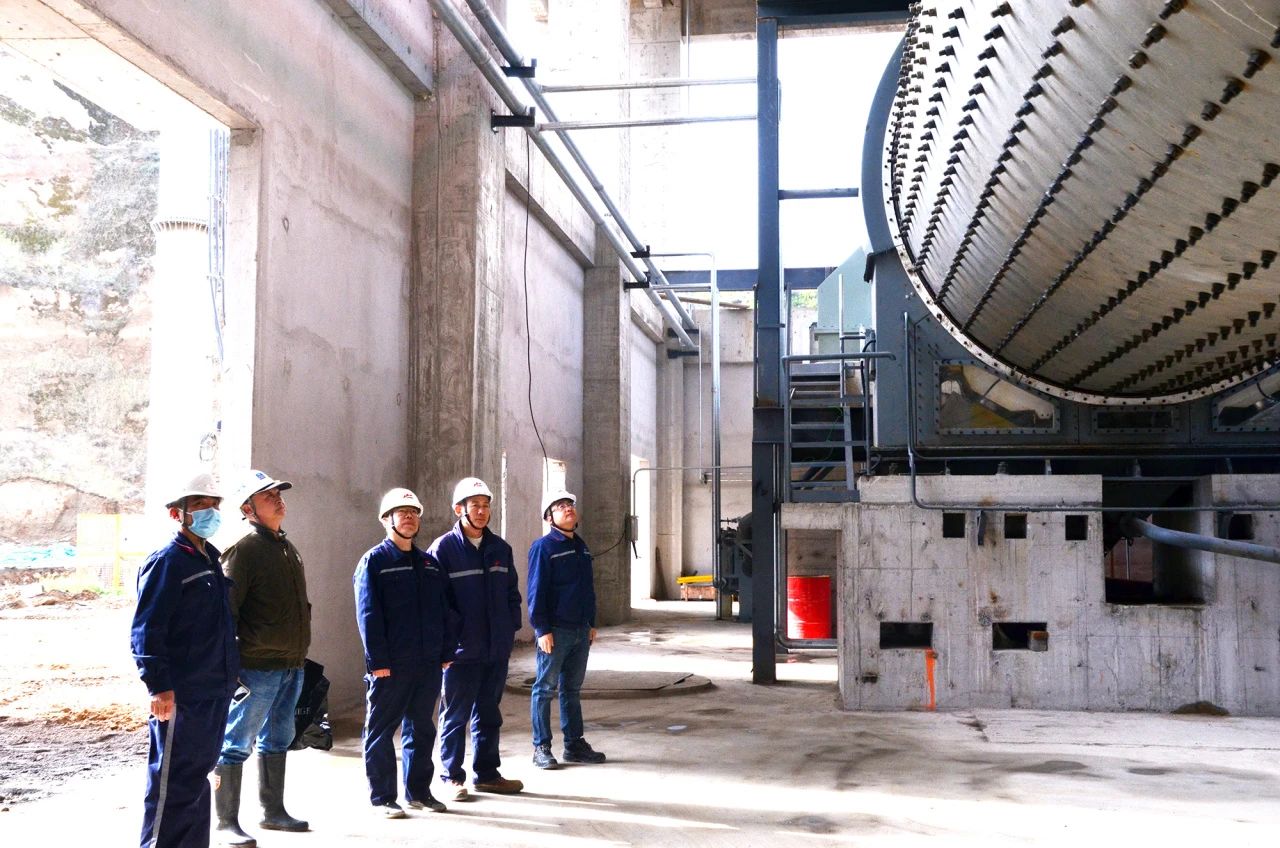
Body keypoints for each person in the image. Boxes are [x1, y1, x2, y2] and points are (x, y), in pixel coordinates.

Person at [131, 473, 239, 848]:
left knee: (197, 778)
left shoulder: (209, 559)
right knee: (173, 783)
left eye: (214, 504)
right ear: (177, 514)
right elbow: (147, 629)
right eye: (200, 505)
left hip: (214, 689)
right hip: (182, 694)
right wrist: (158, 685)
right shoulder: (167, 562)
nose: (210, 511)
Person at [214, 470, 311, 845]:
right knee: (236, 741)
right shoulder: (244, 551)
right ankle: (226, 822)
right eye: (267, 495)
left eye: (277, 493)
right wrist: (231, 666)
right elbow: (227, 612)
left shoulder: (287, 547)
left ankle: (273, 812)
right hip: (256, 667)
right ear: (247, 509)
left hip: (291, 664)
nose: (277, 498)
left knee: (278, 739)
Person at [353, 488, 454, 818]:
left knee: (422, 728)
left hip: (427, 663)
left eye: (413, 513)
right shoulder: (375, 562)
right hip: (392, 665)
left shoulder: (429, 564)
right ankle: (383, 797)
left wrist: (445, 651)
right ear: (386, 520)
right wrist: (377, 661)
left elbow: (445, 611)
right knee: (381, 730)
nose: (409, 517)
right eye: (401, 512)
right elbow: (368, 614)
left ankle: (419, 792)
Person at [428, 478, 524, 801]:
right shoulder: (443, 549)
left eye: (485, 506)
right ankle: (451, 777)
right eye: (475, 506)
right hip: (461, 652)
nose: (482, 511)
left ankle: (487, 774)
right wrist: (451, 640)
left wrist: (509, 628)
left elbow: (512, 593)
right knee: (455, 716)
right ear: (459, 509)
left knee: (489, 713)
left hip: (495, 649)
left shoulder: (500, 549)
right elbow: (437, 603)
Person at [526, 490, 606, 770]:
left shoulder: (581, 547)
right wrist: (541, 629)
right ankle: (541, 747)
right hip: (556, 631)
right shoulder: (544, 547)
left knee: (571, 689)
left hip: (580, 630)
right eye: (560, 506)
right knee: (544, 688)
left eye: (570, 504)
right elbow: (536, 591)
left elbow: (588, 589)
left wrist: (591, 623)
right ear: (549, 517)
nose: (568, 508)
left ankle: (574, 745)